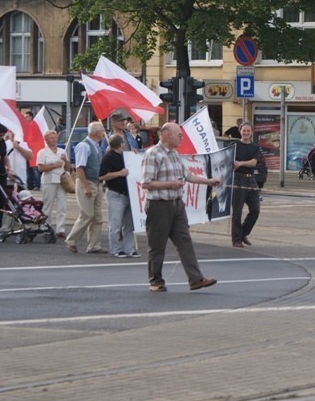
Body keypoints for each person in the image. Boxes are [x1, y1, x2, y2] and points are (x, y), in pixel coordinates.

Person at [141, 122, 220, 292]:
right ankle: (156, 281)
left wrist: (209, 181)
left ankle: (196, 279)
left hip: (177, 205)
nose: (181, 138)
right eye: (179, 135)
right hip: (159, 206)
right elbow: (146, 183)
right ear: (167, 135)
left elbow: (188, 175)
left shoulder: (175, 154)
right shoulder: (153, 154)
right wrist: (171, 184)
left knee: (185, 241)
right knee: (157, 246)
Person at [65, 121, 107, 254]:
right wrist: (85, 186)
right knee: (87, 214)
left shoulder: (96, 146)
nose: (103, 133)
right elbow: (80, 168)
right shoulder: (84, 146)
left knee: (98, 216)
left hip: (97, 182)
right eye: (102, 131)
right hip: (87, 182)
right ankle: (71, 239)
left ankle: (94, 245)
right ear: (96, 132)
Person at [100, 134, 138, 258]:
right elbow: (101, 176)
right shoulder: (108, 157)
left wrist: (134, 155)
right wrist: (119, 173)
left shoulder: (125, 156)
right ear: (121, 144)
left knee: (130, 225)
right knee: (115, 224)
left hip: (128, 194)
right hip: (115, 194)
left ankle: (129, 248)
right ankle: (116, 248)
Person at [231, 122, 263, 248]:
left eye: (248, 131)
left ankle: (243, 233)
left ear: (251, 132)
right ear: (240, 131)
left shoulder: (255, 147)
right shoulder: (234, 146)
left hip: (251, 180)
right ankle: (236, 239)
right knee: (237, 212)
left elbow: (253, 163)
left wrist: (240, 163)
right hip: (238, 180)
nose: (246, 133)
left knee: (255, 210)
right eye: (244, 130)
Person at [36, 129, 71, 238]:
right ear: (46, 140)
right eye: (51, 138)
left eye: (55, 138)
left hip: (62, 181)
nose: (54, 140)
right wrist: (54, 165)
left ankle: (60, 229)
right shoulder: (42, 152)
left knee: (62, 206)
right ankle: (46, 227)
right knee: (48, 205)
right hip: (49, 180)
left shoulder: (61, 151)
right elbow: (41, 168)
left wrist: (65, 160)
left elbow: (68, 167)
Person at [24, 111, 40, 190]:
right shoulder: (29, 125)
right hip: (29, 149)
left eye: (27, 116)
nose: (25, 118)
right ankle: (30, 185)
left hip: (33, 150)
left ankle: (36, 185)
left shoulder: (33, 125)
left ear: (31, 117)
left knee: (34, 168)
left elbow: (34, 137)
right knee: (29, 168)